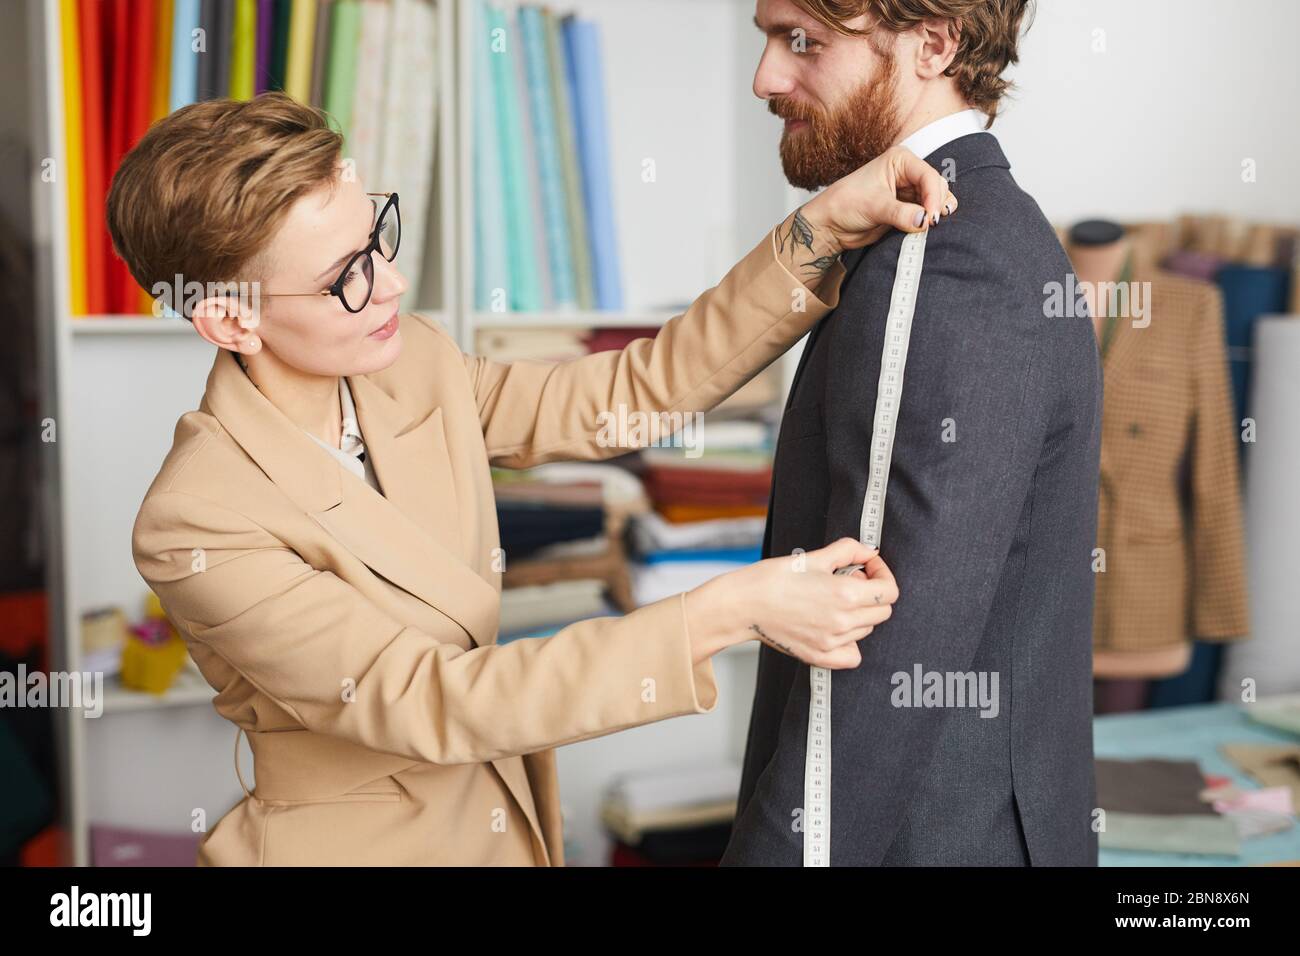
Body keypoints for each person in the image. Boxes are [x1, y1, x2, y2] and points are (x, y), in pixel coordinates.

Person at [110, 91, 956, 865]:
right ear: (230, 320)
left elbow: (628, 396)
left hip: (505, 823)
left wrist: (819, 230)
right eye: (345, 278)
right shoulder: (198, 520)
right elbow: (435, 699)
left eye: (377, 236)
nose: (392, 284)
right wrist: (732, 609)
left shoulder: (410, 364)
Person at [725, 0, 1102, 866]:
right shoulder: (973, 232)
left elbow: (873, 640)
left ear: (933, 43)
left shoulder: (939, 253)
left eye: (802, 41)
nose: (766, 78)